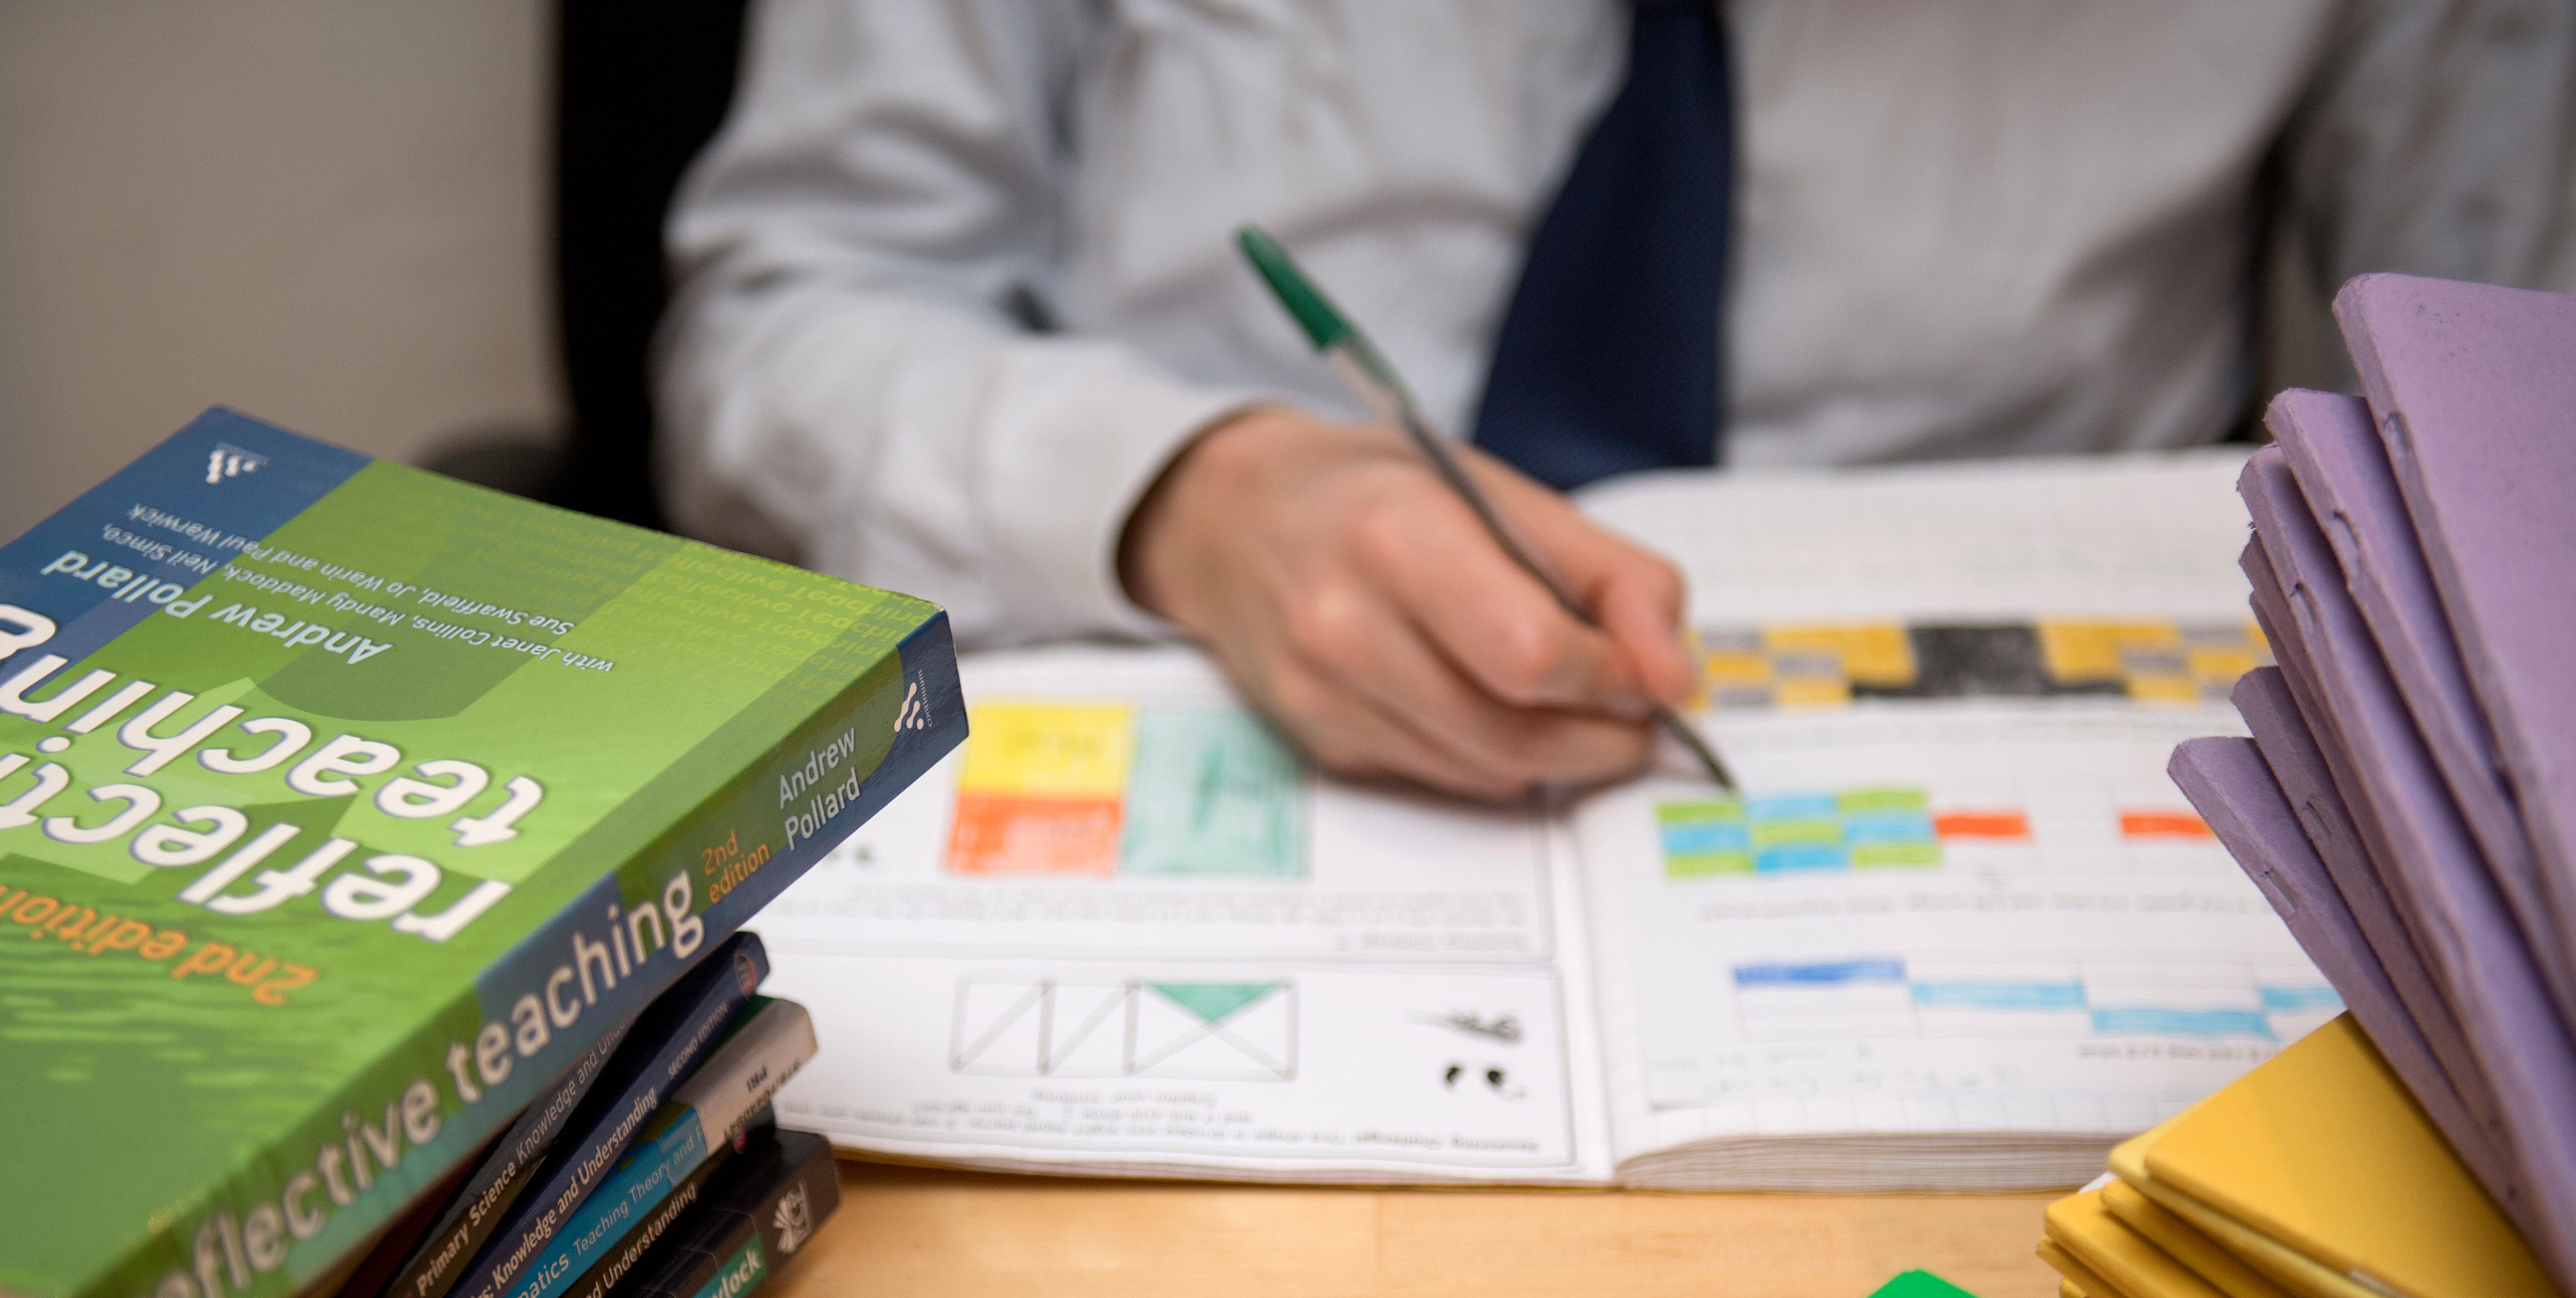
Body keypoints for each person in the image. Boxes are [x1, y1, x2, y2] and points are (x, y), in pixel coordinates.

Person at [654, 0, 2575, 800]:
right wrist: (1182, 493)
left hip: (2004, 812)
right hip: (1164, 728)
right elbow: (777, 319)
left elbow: (2500, 446)